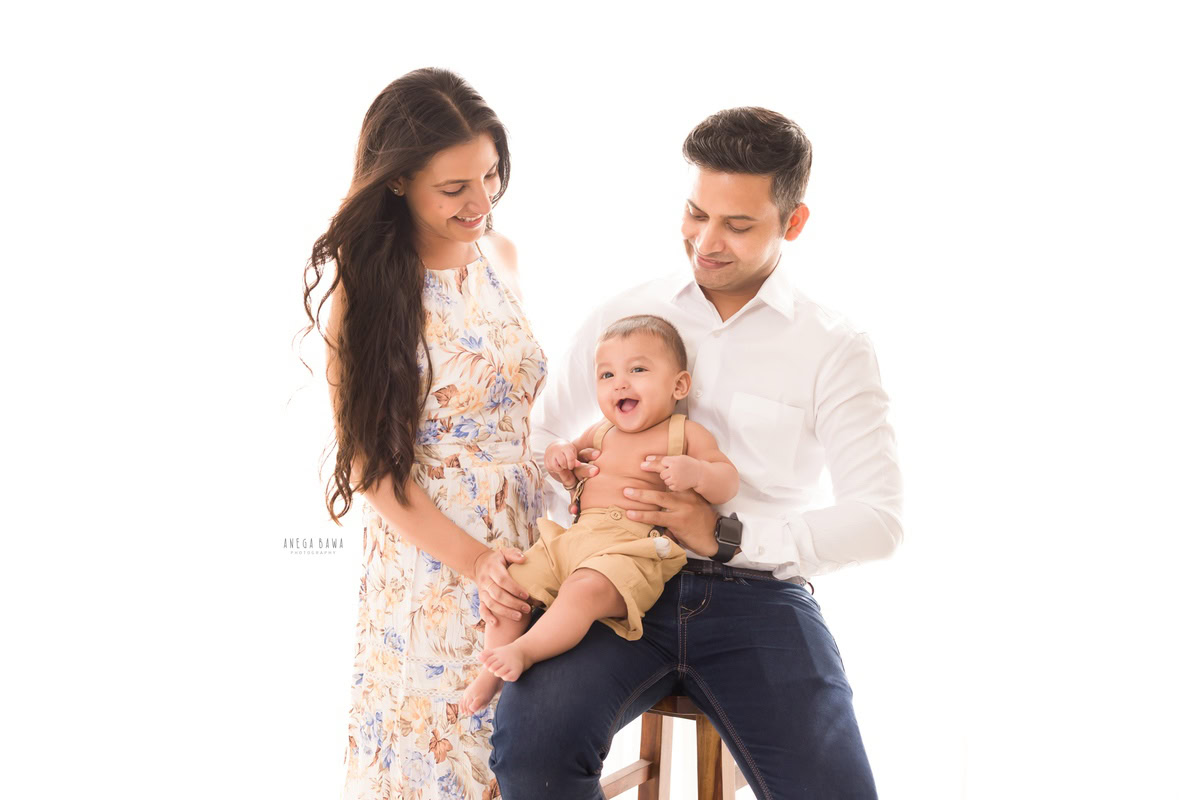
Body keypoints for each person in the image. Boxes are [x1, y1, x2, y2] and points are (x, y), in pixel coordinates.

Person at [489, 107, 903, 799]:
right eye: (695, 213)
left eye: (738, 225)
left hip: (759, 598)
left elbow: (880, 520)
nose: (706, 242)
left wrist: (727, 533)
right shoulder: (628, 313)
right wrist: (568, 492)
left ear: (792, 224)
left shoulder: (834, 345)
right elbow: (537, 436)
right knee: (531, 758)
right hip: (608, 584)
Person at [303, 68, 546, 800]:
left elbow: (517, 408)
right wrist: (477, 563)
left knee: (526, 758)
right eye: (455, 190)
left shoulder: (500, 258)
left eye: (491, 177)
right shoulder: (370, 288)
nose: (481, 203)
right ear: (399, 181)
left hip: (525, 545)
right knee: (444, 762)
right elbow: (373, 466)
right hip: (436, 563)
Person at [460, 314, 738, 714]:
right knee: (512, 587)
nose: (620, 383)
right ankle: (491, 667)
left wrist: (697, 472)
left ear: (679, 385)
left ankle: (525, 651)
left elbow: (726, 480)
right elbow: (565, 460)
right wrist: (561, 455)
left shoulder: (685, 434)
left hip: (630, 550)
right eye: (606, 375)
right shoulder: (601, 432)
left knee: (584, 590)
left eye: (637, 370)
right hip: (575, 539)